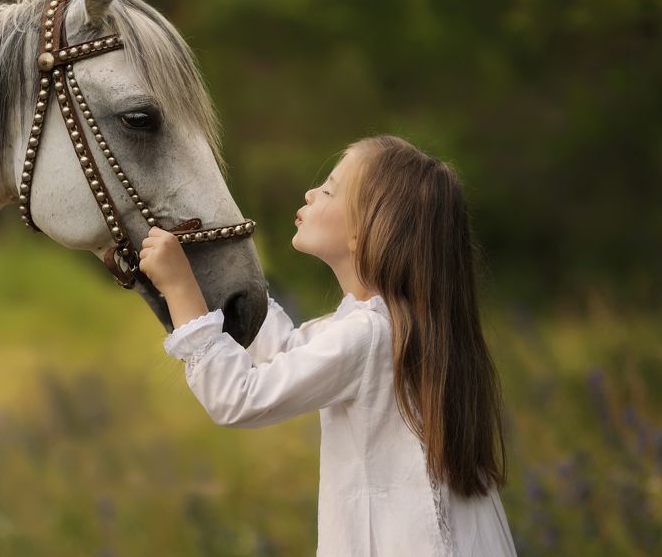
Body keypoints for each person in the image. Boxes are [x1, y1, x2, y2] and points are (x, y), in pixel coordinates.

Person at [140, 135, 518, 556]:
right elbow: (281, 349)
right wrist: (215, 272)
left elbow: (238, 397)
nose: (310, 192)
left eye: (329, 189)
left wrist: (180, 289)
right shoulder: (387, 326)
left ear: (365, 232)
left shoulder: (369, 335)